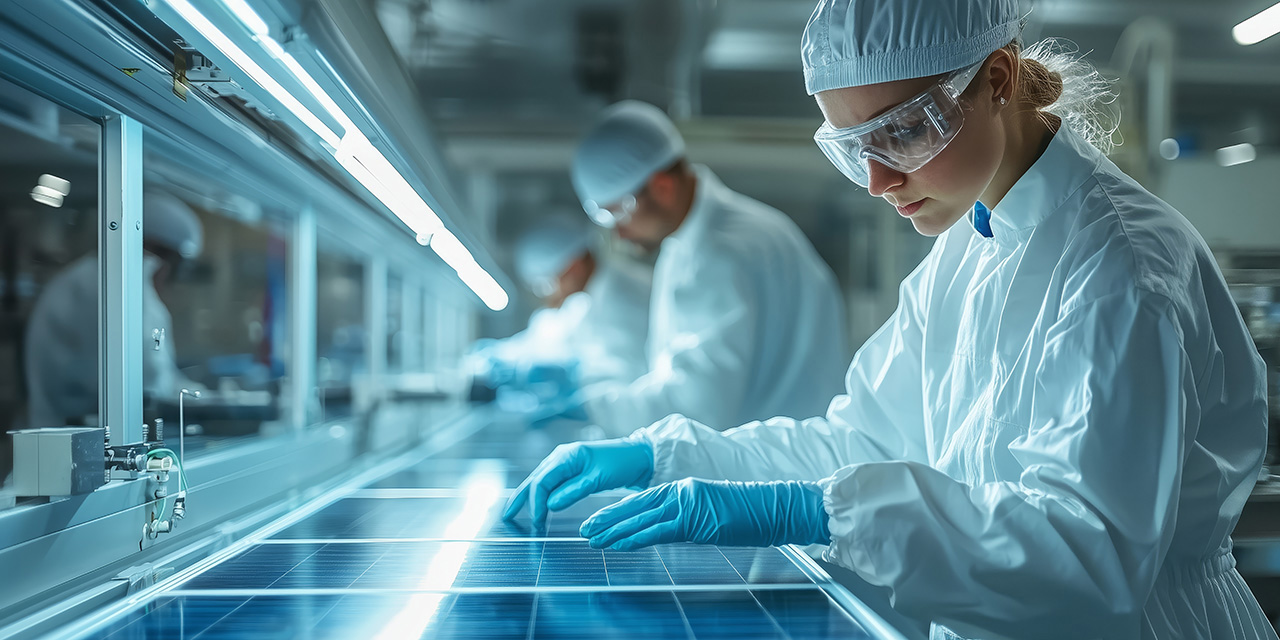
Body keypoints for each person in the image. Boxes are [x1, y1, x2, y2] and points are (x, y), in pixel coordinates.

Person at [504, 1, 1276, 638]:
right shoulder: (971, 245)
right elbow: (864, 435)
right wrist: (665, 455)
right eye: (852, 147)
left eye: (903, 133)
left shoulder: (1119, 268)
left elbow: (1088, 556)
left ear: (998, 80)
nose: (875, 181)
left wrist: (815, 510)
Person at [569, 100, 848, 436]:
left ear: (662, 187)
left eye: (617, 213)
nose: (617, 231)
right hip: (779, 459)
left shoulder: (718, 255)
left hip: (759, 475)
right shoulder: (745, 228)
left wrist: (592, 410)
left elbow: (695, 408)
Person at [25, 191, 203, 427]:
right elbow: (146, 381)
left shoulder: (108, 281)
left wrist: (198, 395)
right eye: (175, 266)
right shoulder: (101, 286)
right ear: (153, 248)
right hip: (70, 438)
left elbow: (159, 378)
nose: (171, 278)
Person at [472, 216, 652, 415]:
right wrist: (505, 355)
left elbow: (630, 373)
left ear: (574, 267)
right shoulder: (586, 299)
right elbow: (547, 340)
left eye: (546, 286)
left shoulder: (619, 298)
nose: (548, 298)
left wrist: (574, 375)